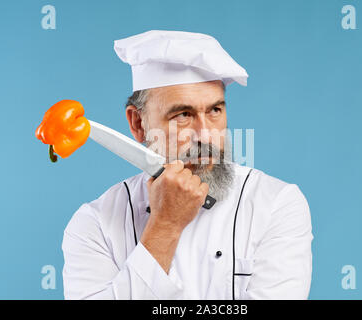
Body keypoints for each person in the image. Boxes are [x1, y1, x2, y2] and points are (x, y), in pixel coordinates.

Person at [62, 30, 313, 299]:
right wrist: (166, 224)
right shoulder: (95, 224)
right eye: (183, 115)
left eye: (215, 110)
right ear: (138, 124)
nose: (205, 135)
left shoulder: (277, 204)